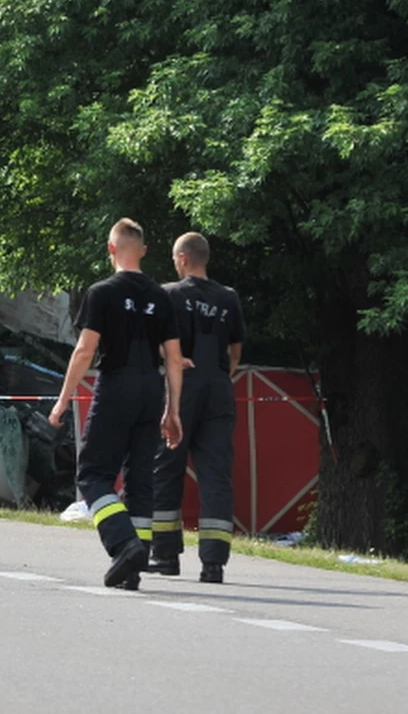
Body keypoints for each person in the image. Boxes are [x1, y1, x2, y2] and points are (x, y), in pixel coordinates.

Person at [49, 218, 184, 589]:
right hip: (151, 389)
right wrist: (172, 411)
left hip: (117, 384)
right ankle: (133, 567)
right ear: (141, 250)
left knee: (92, 474)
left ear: (111, 249)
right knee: (141, 481)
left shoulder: (102, 292)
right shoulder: (161, 296)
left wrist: (63, 401)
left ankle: (123, 544)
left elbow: (84, 351)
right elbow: (173, 359)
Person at [146, 232, 244, 584]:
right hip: (218, 386)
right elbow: (235, 354)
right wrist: (217, 376)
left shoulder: (168, 294)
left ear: (183, 259)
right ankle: (213, 564)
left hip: (180, 384)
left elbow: (156, 344)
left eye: (175, 258)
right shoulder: (229, 298)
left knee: (166, 466)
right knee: (216, 473)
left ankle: (166, 554)